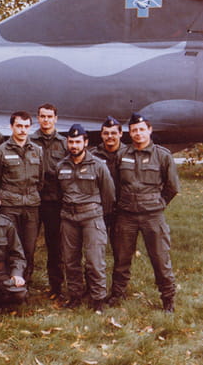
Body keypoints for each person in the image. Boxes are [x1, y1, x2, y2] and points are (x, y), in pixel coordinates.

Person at [108, 113, 179, 313]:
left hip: (152, 216)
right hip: (126, 215)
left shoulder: (162, 155)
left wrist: (159, 203)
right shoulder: (122, 154)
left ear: (149, 130)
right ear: (129, 133)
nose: (138, 133)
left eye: (141, 129)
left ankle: (168, 298)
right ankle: (117, 293)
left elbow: (172, 187)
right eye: (134, 130)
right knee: (121, 258)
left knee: (160, 259)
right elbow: (115, 184)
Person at [56, 124, 115, 311]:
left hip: (91, 217)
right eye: (71, 142)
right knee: (70, 260)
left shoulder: (98, 165)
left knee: (94, 261)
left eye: (77, 142)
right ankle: (75, 295)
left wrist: (99, 216)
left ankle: (98, 299)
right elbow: (59, 193)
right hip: (69, 217)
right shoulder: (61, 166)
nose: (74, 146)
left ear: (86, 143)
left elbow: (109, 194)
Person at [0, 111, 44, 284]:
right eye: (19, 126)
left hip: (31, 206)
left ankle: (25, 282)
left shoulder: (37, 151)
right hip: (9, 206)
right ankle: (7, 282)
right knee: (9, 245)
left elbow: (40, 180)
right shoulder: (1, 151)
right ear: (11, 127)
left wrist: (30, 195)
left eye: (26, 126)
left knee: (29, 247)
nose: (22, 130)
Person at [29, 103, 67, 298]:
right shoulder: (29, 140)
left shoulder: (64, 143)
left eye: (49, 116)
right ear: (38, 118)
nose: (46, 120)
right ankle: (23, 284)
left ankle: (56, 287)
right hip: (33, 200)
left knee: (55, 246)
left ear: (55, 119)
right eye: (42, 116)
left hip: (54, 202)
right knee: (28, 245)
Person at [90, 116, 126, 257]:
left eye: (113, 133)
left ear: (120, 134)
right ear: (101, 135)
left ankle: (120, 273)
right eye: (106, 133)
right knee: (95, 249)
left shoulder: (129, 154)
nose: (109, 136)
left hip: (122, 210)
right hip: (100, 209)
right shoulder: (93, 155)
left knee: (121, 252)